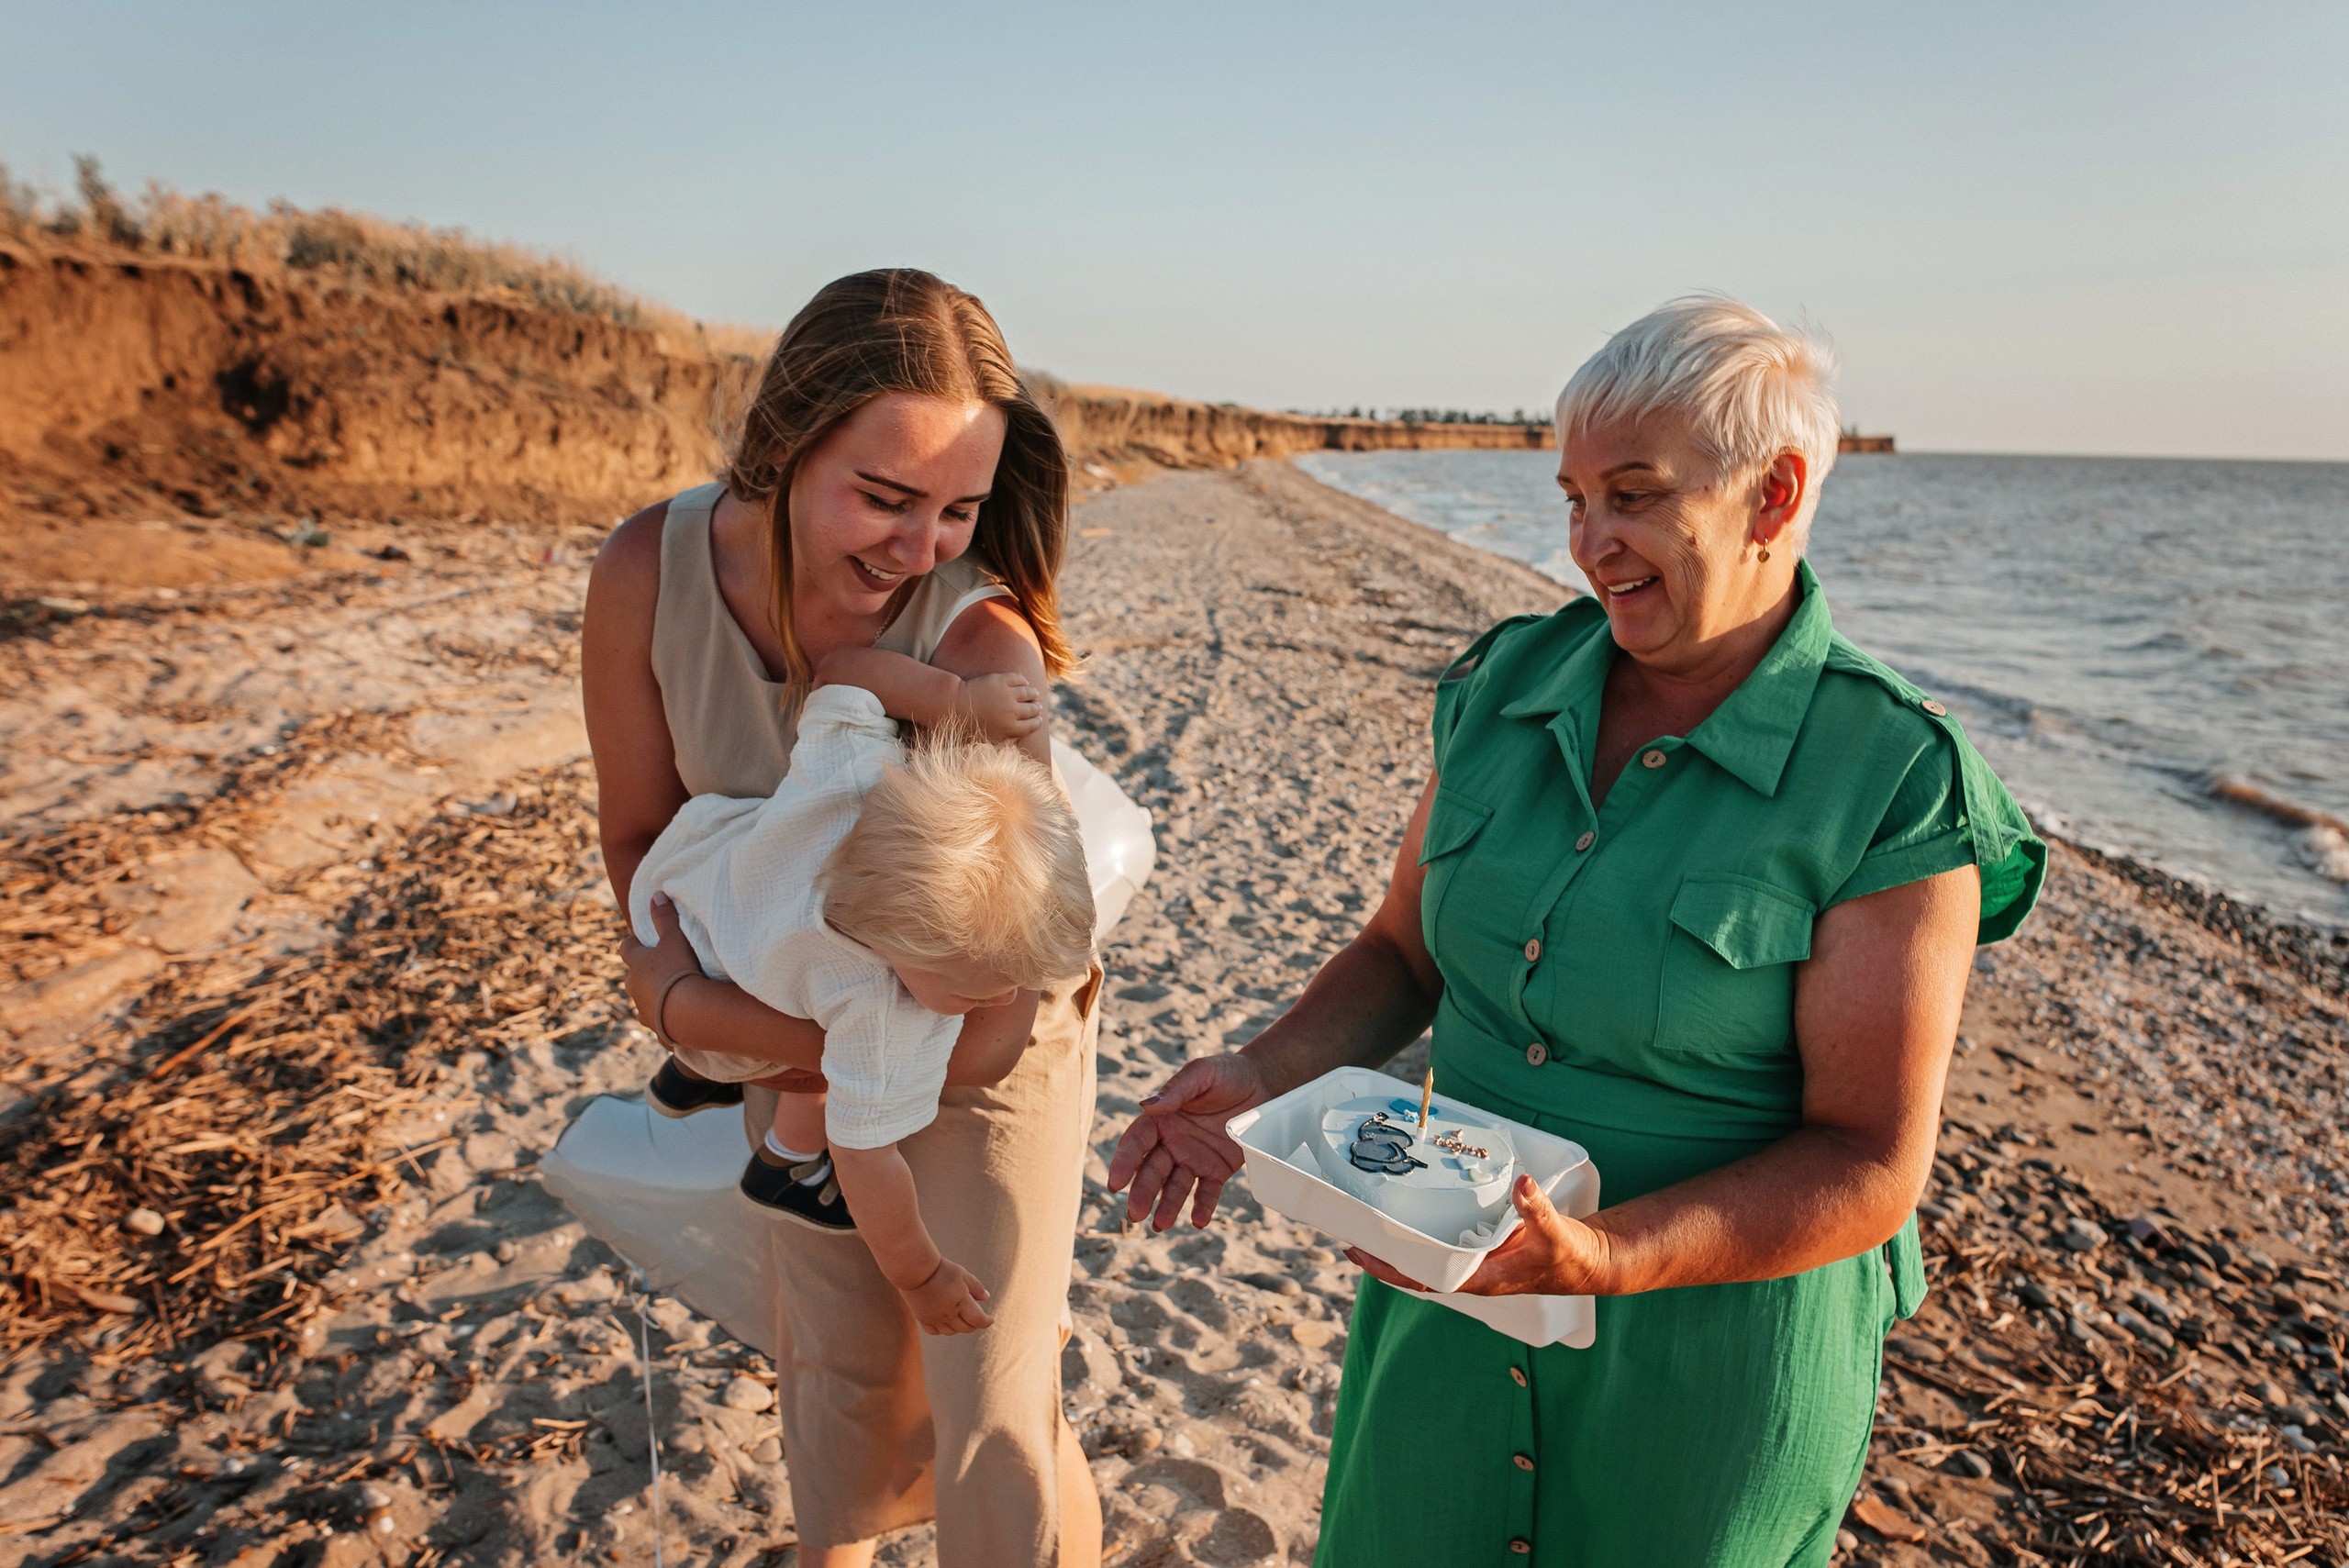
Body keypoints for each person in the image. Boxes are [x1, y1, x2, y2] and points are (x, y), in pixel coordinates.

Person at [1107, 296, 2044, 1566]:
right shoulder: (1501, 688)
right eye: (1573, 500)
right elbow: (1403, 954)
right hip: (1452, 1292)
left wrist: (1605, 1257)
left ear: (1774, 496)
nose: (1591, 544)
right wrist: (1262, 1074)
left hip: (1705, 1367)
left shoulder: (1889, 772)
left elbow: (1872, 1160)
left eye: (1636, 497)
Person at [583, 268, 1104, 1567]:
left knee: (988, 1396)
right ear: (782, 447)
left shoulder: (977, 646)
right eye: (884, 496)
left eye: (959, 509)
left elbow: (997, 1003)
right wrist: (688, 1007)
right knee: (838, 1381)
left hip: (972, 1038)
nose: (919, 546)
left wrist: (727, 1026)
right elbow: (640, 837)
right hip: (793, 1024)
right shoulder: (648, 572)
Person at [626, 651, 1094, 1335]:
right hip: (713, 1019)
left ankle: (684, 1080)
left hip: (671, 895)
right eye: (973, 994)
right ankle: (782, 1158)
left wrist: (959, 697)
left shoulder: (854, 777)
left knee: (769, 958)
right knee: (825, 1071)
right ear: (909, 945)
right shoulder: (881, 1012)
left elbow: (844, 673)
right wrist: (922, 1273)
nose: (998, 1004)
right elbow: (866, 1159)